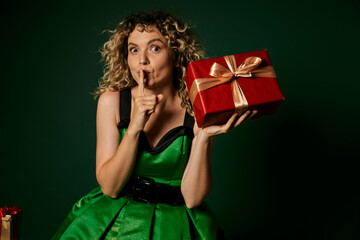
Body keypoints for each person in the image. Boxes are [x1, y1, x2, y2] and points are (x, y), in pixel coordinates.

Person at [52, 10, 257, 240]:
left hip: (174, 226)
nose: (142, 60)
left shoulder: (197, 106)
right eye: (134, 49)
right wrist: (135, 126)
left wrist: (204, 136)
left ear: (177, 55)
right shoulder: (112, 102)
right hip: (113, 220)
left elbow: (192, 198)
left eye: (155, 48)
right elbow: (110, 187)